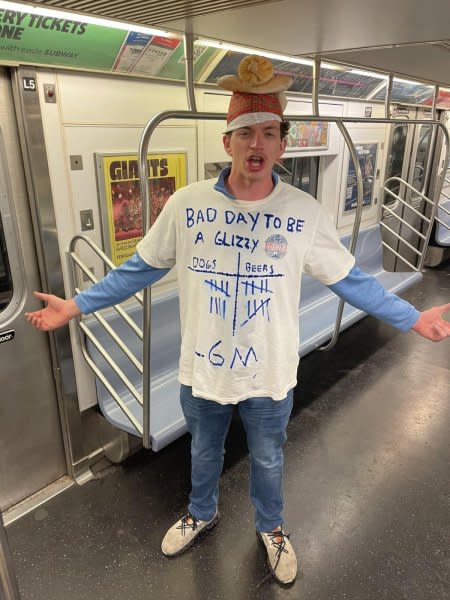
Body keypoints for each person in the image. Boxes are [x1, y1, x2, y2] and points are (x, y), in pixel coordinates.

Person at [25, 56, 450, 586]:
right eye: (245, 132)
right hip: (202, 371)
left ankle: (271, 528)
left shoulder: (301, 212)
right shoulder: (187, 205)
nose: (257, 144)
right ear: (227, 143)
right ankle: (201, 513)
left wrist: (413, 318)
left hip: (269, 374)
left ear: (282, 143)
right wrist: (78, 304)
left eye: (269, 133)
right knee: (204, 452)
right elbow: (140, 269)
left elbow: (351, 281)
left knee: (269, 459)